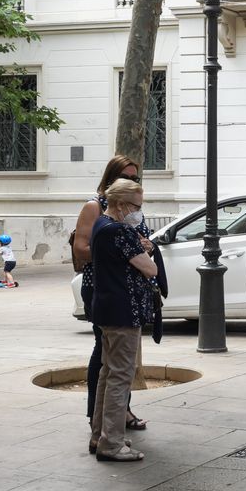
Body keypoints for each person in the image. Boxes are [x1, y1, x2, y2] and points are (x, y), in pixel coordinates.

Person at [74, 155, 152, 430]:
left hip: (130, 290)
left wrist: (141, 246)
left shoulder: (129, 206)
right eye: (126, 177)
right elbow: (82, 249)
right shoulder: (96, 207)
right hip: (104, 287)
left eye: (135, 178)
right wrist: (126, 249)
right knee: (106, 355)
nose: (131, 181)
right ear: (110, 178)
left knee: (118, 362)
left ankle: (116, 415)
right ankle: (102, 419)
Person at [89, 179, 157, 461]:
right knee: (120, 377)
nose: (138, 213)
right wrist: (145, 249)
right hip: (124, 311)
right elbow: (150, 269)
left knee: (108, 373)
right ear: (120, 204)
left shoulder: (100, 226)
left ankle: (100, 435)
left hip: (106, 308)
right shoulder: (120, 232)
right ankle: (112, 444)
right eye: (136, 206)